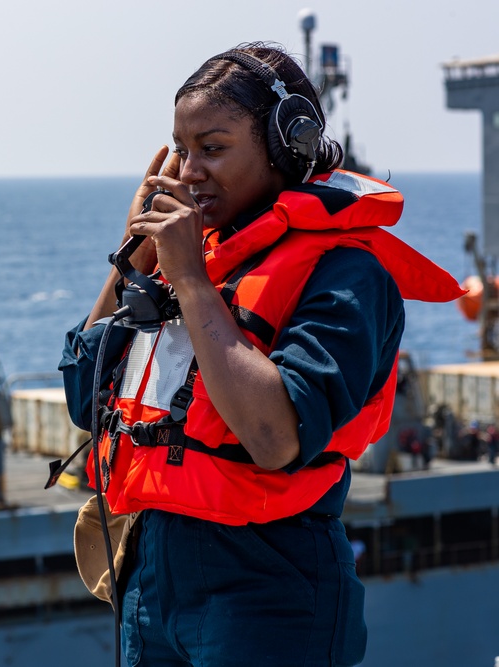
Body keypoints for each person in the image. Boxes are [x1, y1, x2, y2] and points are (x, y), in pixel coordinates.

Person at [59, 42, 463, 666]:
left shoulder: (346, 273)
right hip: (151, 580)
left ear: (285, 148)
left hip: (266, 587)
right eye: (180, 148)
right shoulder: (188, 253)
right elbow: (86, 396)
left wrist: (191, 283)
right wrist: (131, 255)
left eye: (213, 149)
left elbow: (275, 437)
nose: (188, 171)